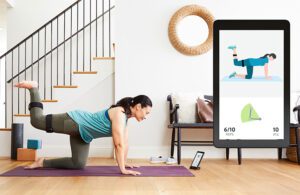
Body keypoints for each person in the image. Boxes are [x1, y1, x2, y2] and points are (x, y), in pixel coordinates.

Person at [14, 81, 152, 176]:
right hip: (75, 121)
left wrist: (125, 162)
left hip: (83, 134)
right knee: (37, 121)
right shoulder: (119, 114)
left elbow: (125, 142)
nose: (146, 117)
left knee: (78, 163)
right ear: (138, 107)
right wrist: (122, 169)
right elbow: (118, 144)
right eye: (147, 113)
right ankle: (34, 88)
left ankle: (42, 162)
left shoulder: (126, 118)